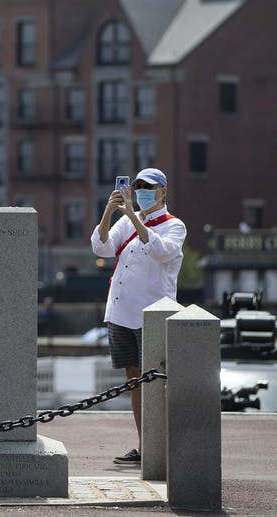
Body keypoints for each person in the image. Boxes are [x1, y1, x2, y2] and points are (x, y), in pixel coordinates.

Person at [90, 167, 186, 464]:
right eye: (139, 185)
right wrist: (109, 210)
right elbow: (102, 246)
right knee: (133, 378)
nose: (143, 190)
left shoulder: (174, 225)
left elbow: (160, 251)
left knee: (154, 380)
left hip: (151, 315)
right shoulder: (127, 222)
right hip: (121, 312)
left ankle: (160, 447)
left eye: (149, 187)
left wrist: (132, 215)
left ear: (163, 192)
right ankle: (145, 446)